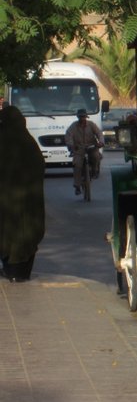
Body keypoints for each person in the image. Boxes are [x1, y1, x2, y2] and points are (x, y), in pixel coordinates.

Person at [0, 106, 45, 281]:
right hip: (29, 202)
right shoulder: (29, 143)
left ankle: (11, 271)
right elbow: (40, 166)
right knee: (26, 234)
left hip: (6, 202)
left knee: (6, 232)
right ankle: (21, 273)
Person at [65, 109, 103, 196]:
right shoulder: (73, 126)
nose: (82, 118)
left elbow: (99, 133)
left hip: (91, 147)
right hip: (79, 148)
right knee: (77, 165)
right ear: (78, 117)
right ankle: (77, 186)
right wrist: (71, 145)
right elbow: (68, 136)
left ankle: (94, 171)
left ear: (86, 117)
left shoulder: (91, 124)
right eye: (80, 117)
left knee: (96, 156)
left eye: (83, 117)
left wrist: (101, 142)